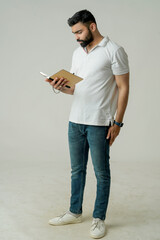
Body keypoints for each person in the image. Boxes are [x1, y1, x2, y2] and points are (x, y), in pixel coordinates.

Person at [45, 9, 129, 239]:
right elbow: (76, 89)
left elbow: (123, 88)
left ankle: (99, 218)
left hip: (100, 123)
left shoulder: (114, 51)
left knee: (102, 173)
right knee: (76, 170)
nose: (77, 37)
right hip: (75, 122)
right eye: (74, 33)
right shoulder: (78, 53)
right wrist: (60, 86)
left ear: (92, 26)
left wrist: (118, 123)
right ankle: (74, 211)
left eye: (79, 31)